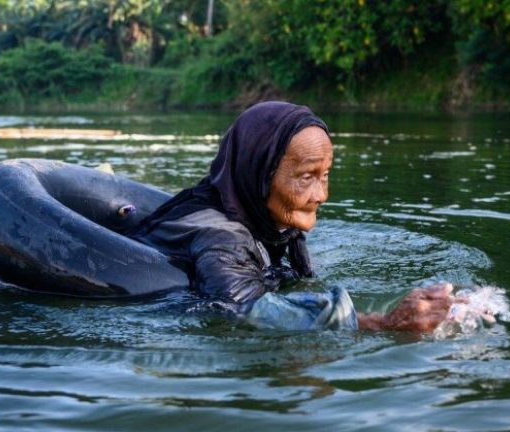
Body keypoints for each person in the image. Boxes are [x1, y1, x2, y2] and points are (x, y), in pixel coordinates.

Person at [128, 101, 454, 332]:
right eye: (306, 177)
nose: (321, 195)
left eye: (325, 175)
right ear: (259, 174)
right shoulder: (222, 238)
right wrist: (382, 323)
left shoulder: (253, 211)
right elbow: (246, 311)